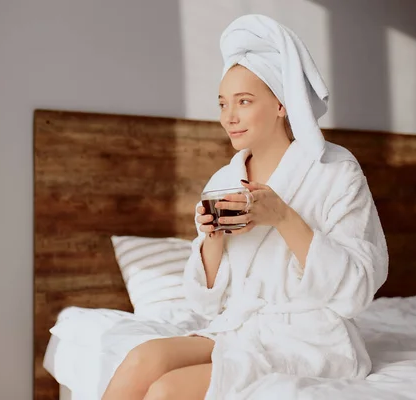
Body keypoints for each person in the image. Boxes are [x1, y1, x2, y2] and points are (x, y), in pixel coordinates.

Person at [100, 14, 388, 399]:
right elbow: (205, 303)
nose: (228, 117)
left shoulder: (334, 170)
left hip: (311, 336)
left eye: (244, 101)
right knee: (141, 359)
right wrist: (211, 239)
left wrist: (284, 217)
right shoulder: (223, 181)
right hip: (240, 327)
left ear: (282, 104)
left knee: (168, 390)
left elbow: (357, 289)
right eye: (222, 104)